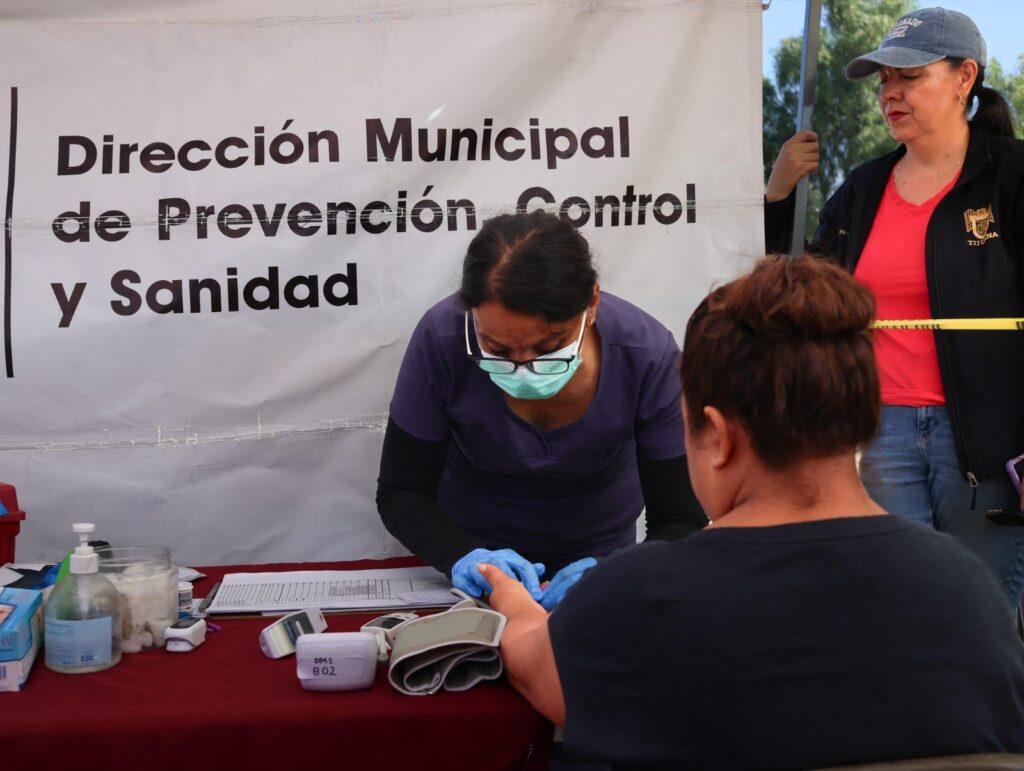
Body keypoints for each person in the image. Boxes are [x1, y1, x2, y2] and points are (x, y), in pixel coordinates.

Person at [482, 255, 1024, 770]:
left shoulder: (640, 597)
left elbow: (537, 672)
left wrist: (510, 596)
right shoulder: (967, 590)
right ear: (863, 419)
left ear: (718, 437)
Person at [765, 7, 1024, 610]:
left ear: (965, 77)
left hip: (993, 446)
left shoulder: (1013, 175)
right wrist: (778, 197)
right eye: (884, 80)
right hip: (879, 437)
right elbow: (799, 295)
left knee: (979, 618)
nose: (890, 93)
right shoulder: (862, 187)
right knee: (900, 613)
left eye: (910, 76)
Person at [376, 210, 706, 609]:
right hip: (472, 559)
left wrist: (621, 573)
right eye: (497, 349)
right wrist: (465, 557)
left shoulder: (647, 357)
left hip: (602, 559)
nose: (523, 367)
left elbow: (681, 519)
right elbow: (402, 492)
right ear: (472, 314)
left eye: (549, 346)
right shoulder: (442, 339)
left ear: (592, 304)